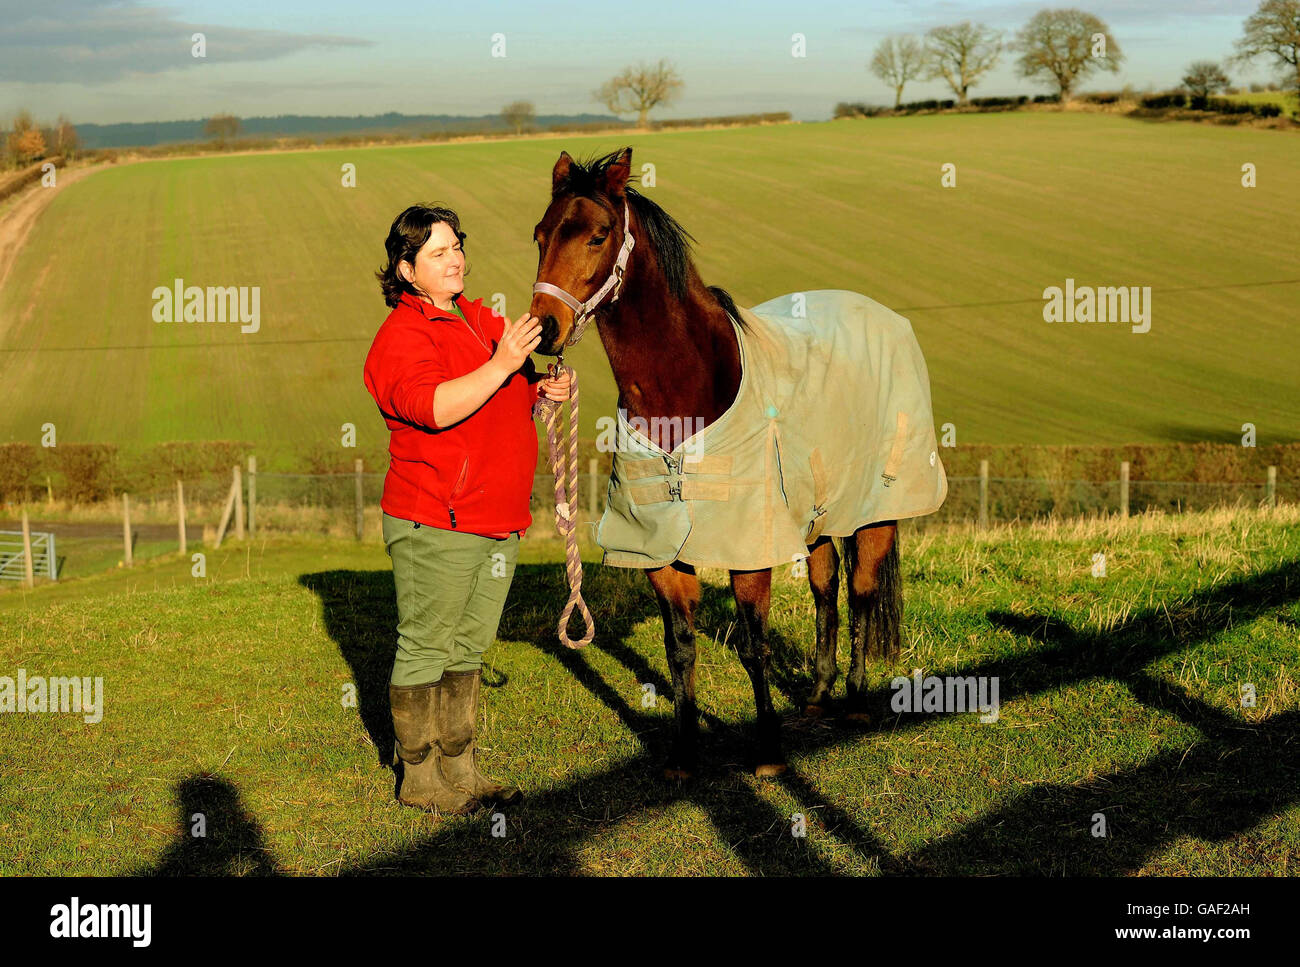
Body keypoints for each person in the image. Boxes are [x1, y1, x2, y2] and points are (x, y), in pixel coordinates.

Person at [363, 203, 571, 814]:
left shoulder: (478, 320)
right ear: (406, 271)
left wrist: (537, 386)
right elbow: (436, 407)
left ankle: (462, 765)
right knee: (427, 646)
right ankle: (420, 779)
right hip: (436, 520)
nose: (454, 259)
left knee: (469, 649)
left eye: (456, 247)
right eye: (437, 252)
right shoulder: (401, 338)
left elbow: (503, 386)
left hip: (499, 520)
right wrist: (505, 364)